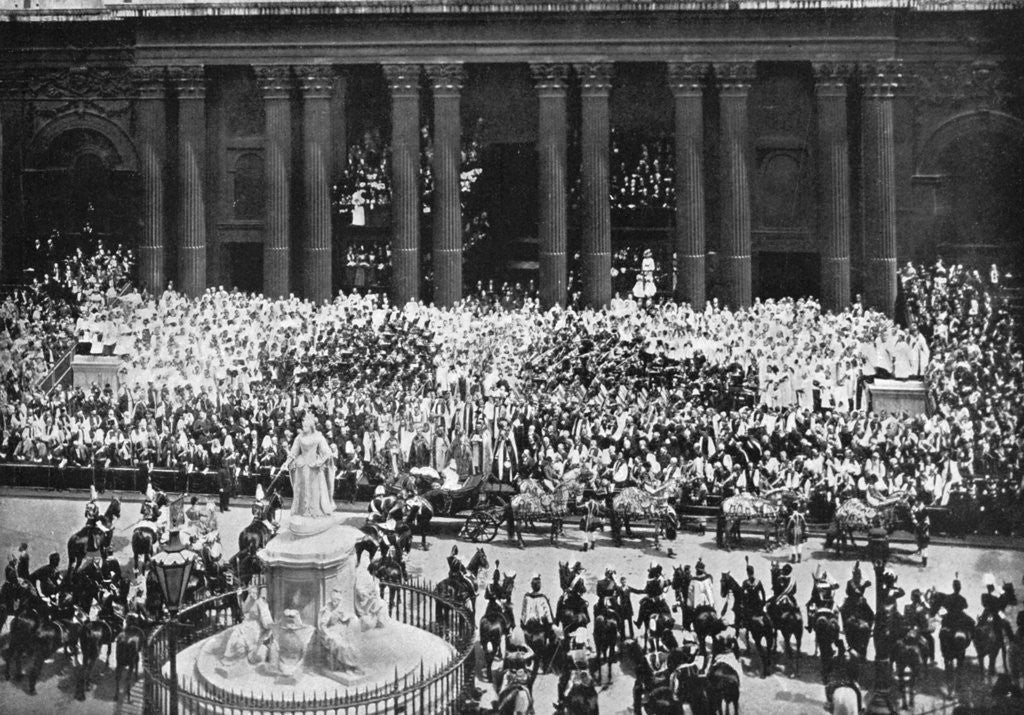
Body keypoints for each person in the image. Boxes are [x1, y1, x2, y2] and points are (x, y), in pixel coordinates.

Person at [284, 412, 336, 521]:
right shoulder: (299, 437)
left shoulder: (318, 437)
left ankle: (314, 511)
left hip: (314, 467)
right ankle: (303, 511)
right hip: (302, 466)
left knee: (314, 489)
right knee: (302, 489)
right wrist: (286, 462)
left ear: (311, 426)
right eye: (303, 426)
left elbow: (327, 452)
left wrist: (319, 462)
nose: (304, 428)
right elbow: (293, 452)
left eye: (306, 426)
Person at [220, 583, 274, 667]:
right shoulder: (250, 599)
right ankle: (230, 658)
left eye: (255, 592)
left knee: (244, 639)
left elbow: (266, 620)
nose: (253, 594)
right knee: (235, 634)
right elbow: (244, 609)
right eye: (251, 592)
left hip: (256, 627)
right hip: (247, 624)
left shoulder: (261, 602)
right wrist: (240, 596)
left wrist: (270, 626)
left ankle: (248, 655)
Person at [318, 587, 360, 674]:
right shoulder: (328, 609)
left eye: (337, 601)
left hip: (343, 629)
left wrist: (349, 618)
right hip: (331, 631)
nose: (335, 603)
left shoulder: (341, 607)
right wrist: (328, 634)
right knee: (342, 645)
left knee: (352, 643)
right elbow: (323, 625)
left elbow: (349, 617)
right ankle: (347, 667)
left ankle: (354, 665)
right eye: (334, 600)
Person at [555, 627, 595, 711]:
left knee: (564, 686)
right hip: (583, 673)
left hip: (575, 673)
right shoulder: (586, 652)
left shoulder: (571, 653)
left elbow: (567, 663)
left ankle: (561, 703)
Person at [520, 573, 556, 659]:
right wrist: (551, 623)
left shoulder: (526, 596)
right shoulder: (543, 597)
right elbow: (547, 612)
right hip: (539, 625)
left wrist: (523, 623)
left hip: (528, 625)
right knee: (552, 637)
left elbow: (523, 612)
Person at [806, 565, 839, 632]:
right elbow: (837, 585)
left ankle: (810, 626)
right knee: (836, 610)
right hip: (828, 601)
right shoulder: (828, 580)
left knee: (809, 607)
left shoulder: (818, 581)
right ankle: (836, 626)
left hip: (818, 601)